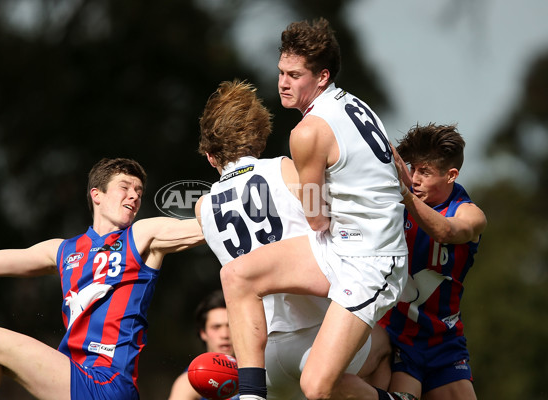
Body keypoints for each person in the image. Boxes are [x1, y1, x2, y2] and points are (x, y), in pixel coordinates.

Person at [217, 19, 413, 400]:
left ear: (322, 77)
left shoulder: (305, 133)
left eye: (295, 75)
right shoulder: (355, 103)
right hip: (337, 245)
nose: (283, 83)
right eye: (280, 72)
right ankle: (252, 395)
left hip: (371, 260)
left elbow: (315, 217)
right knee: (237, 275)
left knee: (315, 385)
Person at [195, 80, 395, 400]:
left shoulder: (203, 207)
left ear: (209, 156)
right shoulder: (284, 170)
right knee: (386, 346)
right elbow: (323, 216)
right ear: (259, 138)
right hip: (317, 333)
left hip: (260, 355)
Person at [0, 157, 204, 400]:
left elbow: (204, 227)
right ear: (97, 195)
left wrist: (228, 201)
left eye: (139, 191)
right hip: (75, 376)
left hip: (107, 384)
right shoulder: (63, 250)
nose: (135, 195)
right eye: (125, 187)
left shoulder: (141, 235)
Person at [379, 124, 486, 400]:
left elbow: (446, 231)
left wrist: (405, 196)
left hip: (444, 341)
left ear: (451, 175)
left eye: (425, 172)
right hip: (394, 336)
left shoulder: (470, 215)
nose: (414, 179)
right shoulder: (397, 199)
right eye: (413, 169)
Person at [168, 289, 239, 400]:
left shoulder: (260, 373)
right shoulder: (189, 383)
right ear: (203, 332)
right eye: (216, 327)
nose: (225, 335)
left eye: (230, 326)